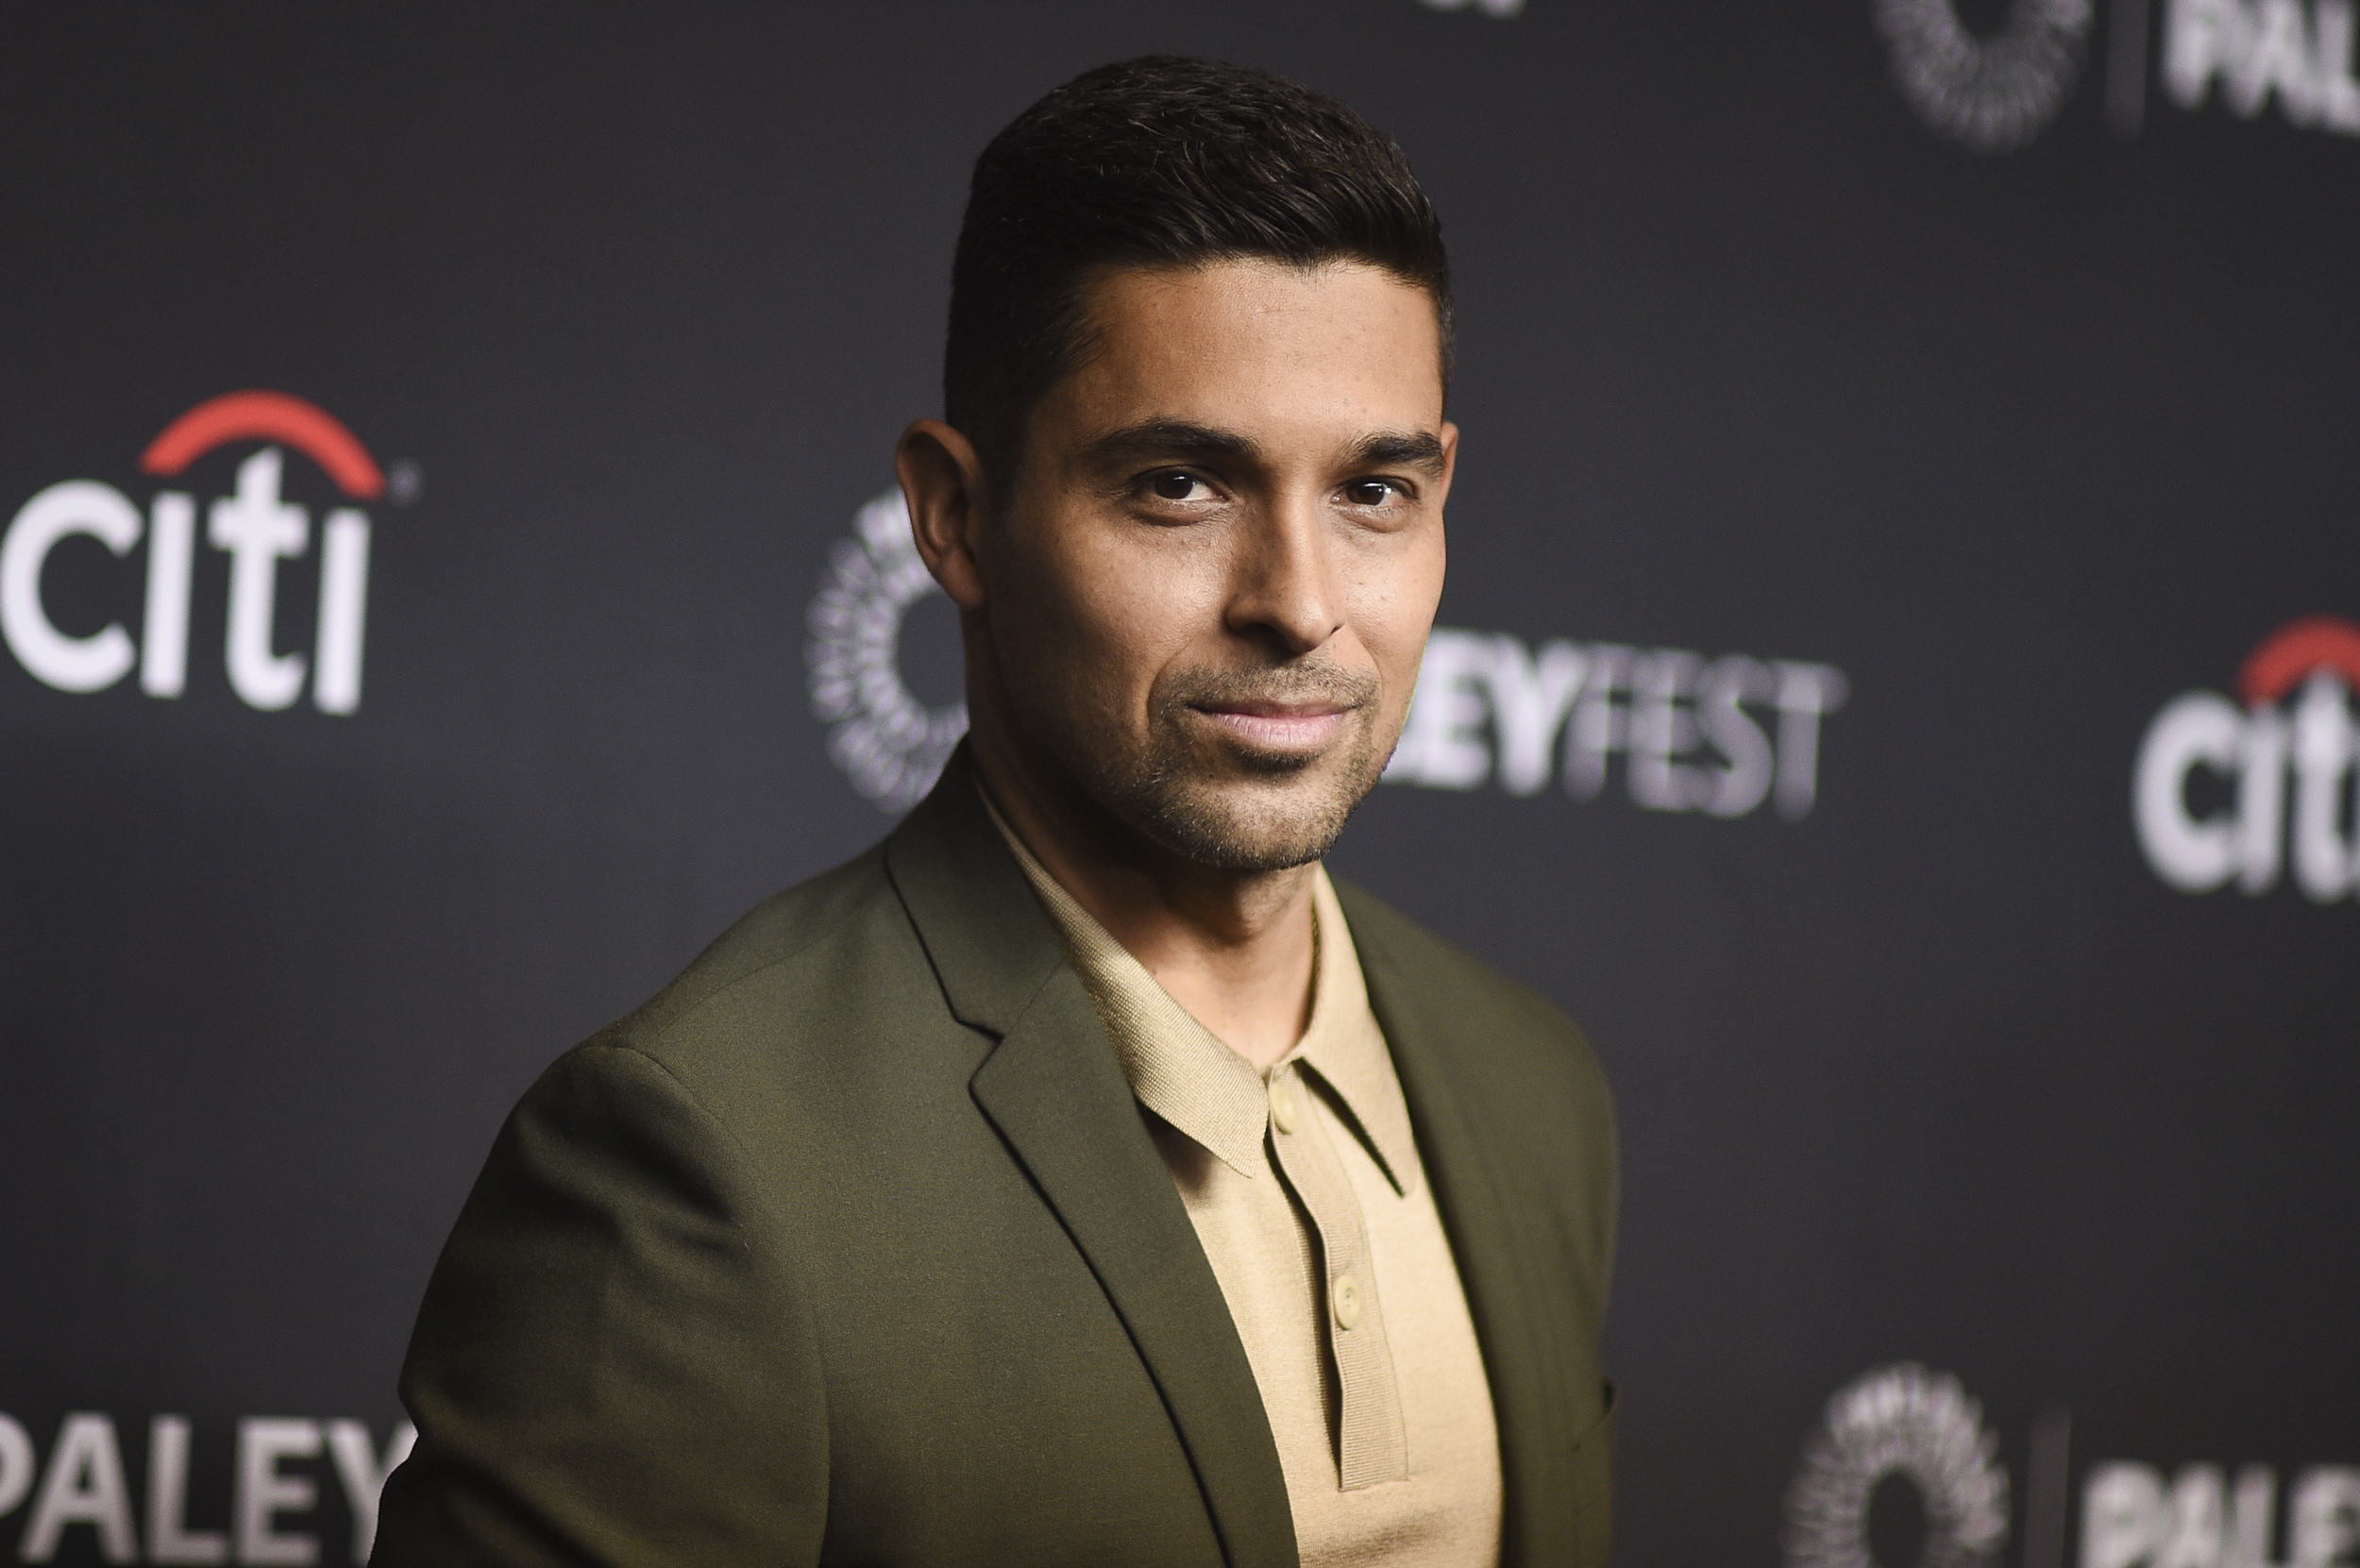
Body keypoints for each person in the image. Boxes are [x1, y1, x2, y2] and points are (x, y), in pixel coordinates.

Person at [372, 55, 1616, 1568]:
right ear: (954, 515)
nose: (1299, 602)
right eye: (1179, 483)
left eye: (1374, 492)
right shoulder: (700, 1168)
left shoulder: (1535, 1092)